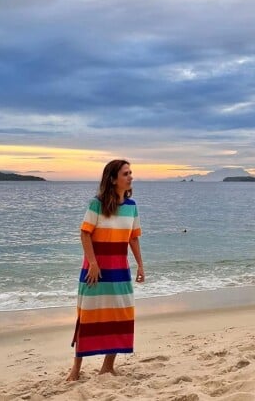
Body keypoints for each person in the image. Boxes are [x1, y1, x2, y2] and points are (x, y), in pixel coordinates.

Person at [67, 159, 145, 381]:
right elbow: (85, 233)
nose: (130, 177)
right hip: (95, 271)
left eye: (131, 173)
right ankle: (76, 369)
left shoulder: (132, 207)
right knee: (87, 317)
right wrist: (92, 263)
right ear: (112, 179)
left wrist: (140, 264)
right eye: (125, 174)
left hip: (120, 271)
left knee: (120, 317)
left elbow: (133, 238)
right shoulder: (96, 204)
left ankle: (108, 367)